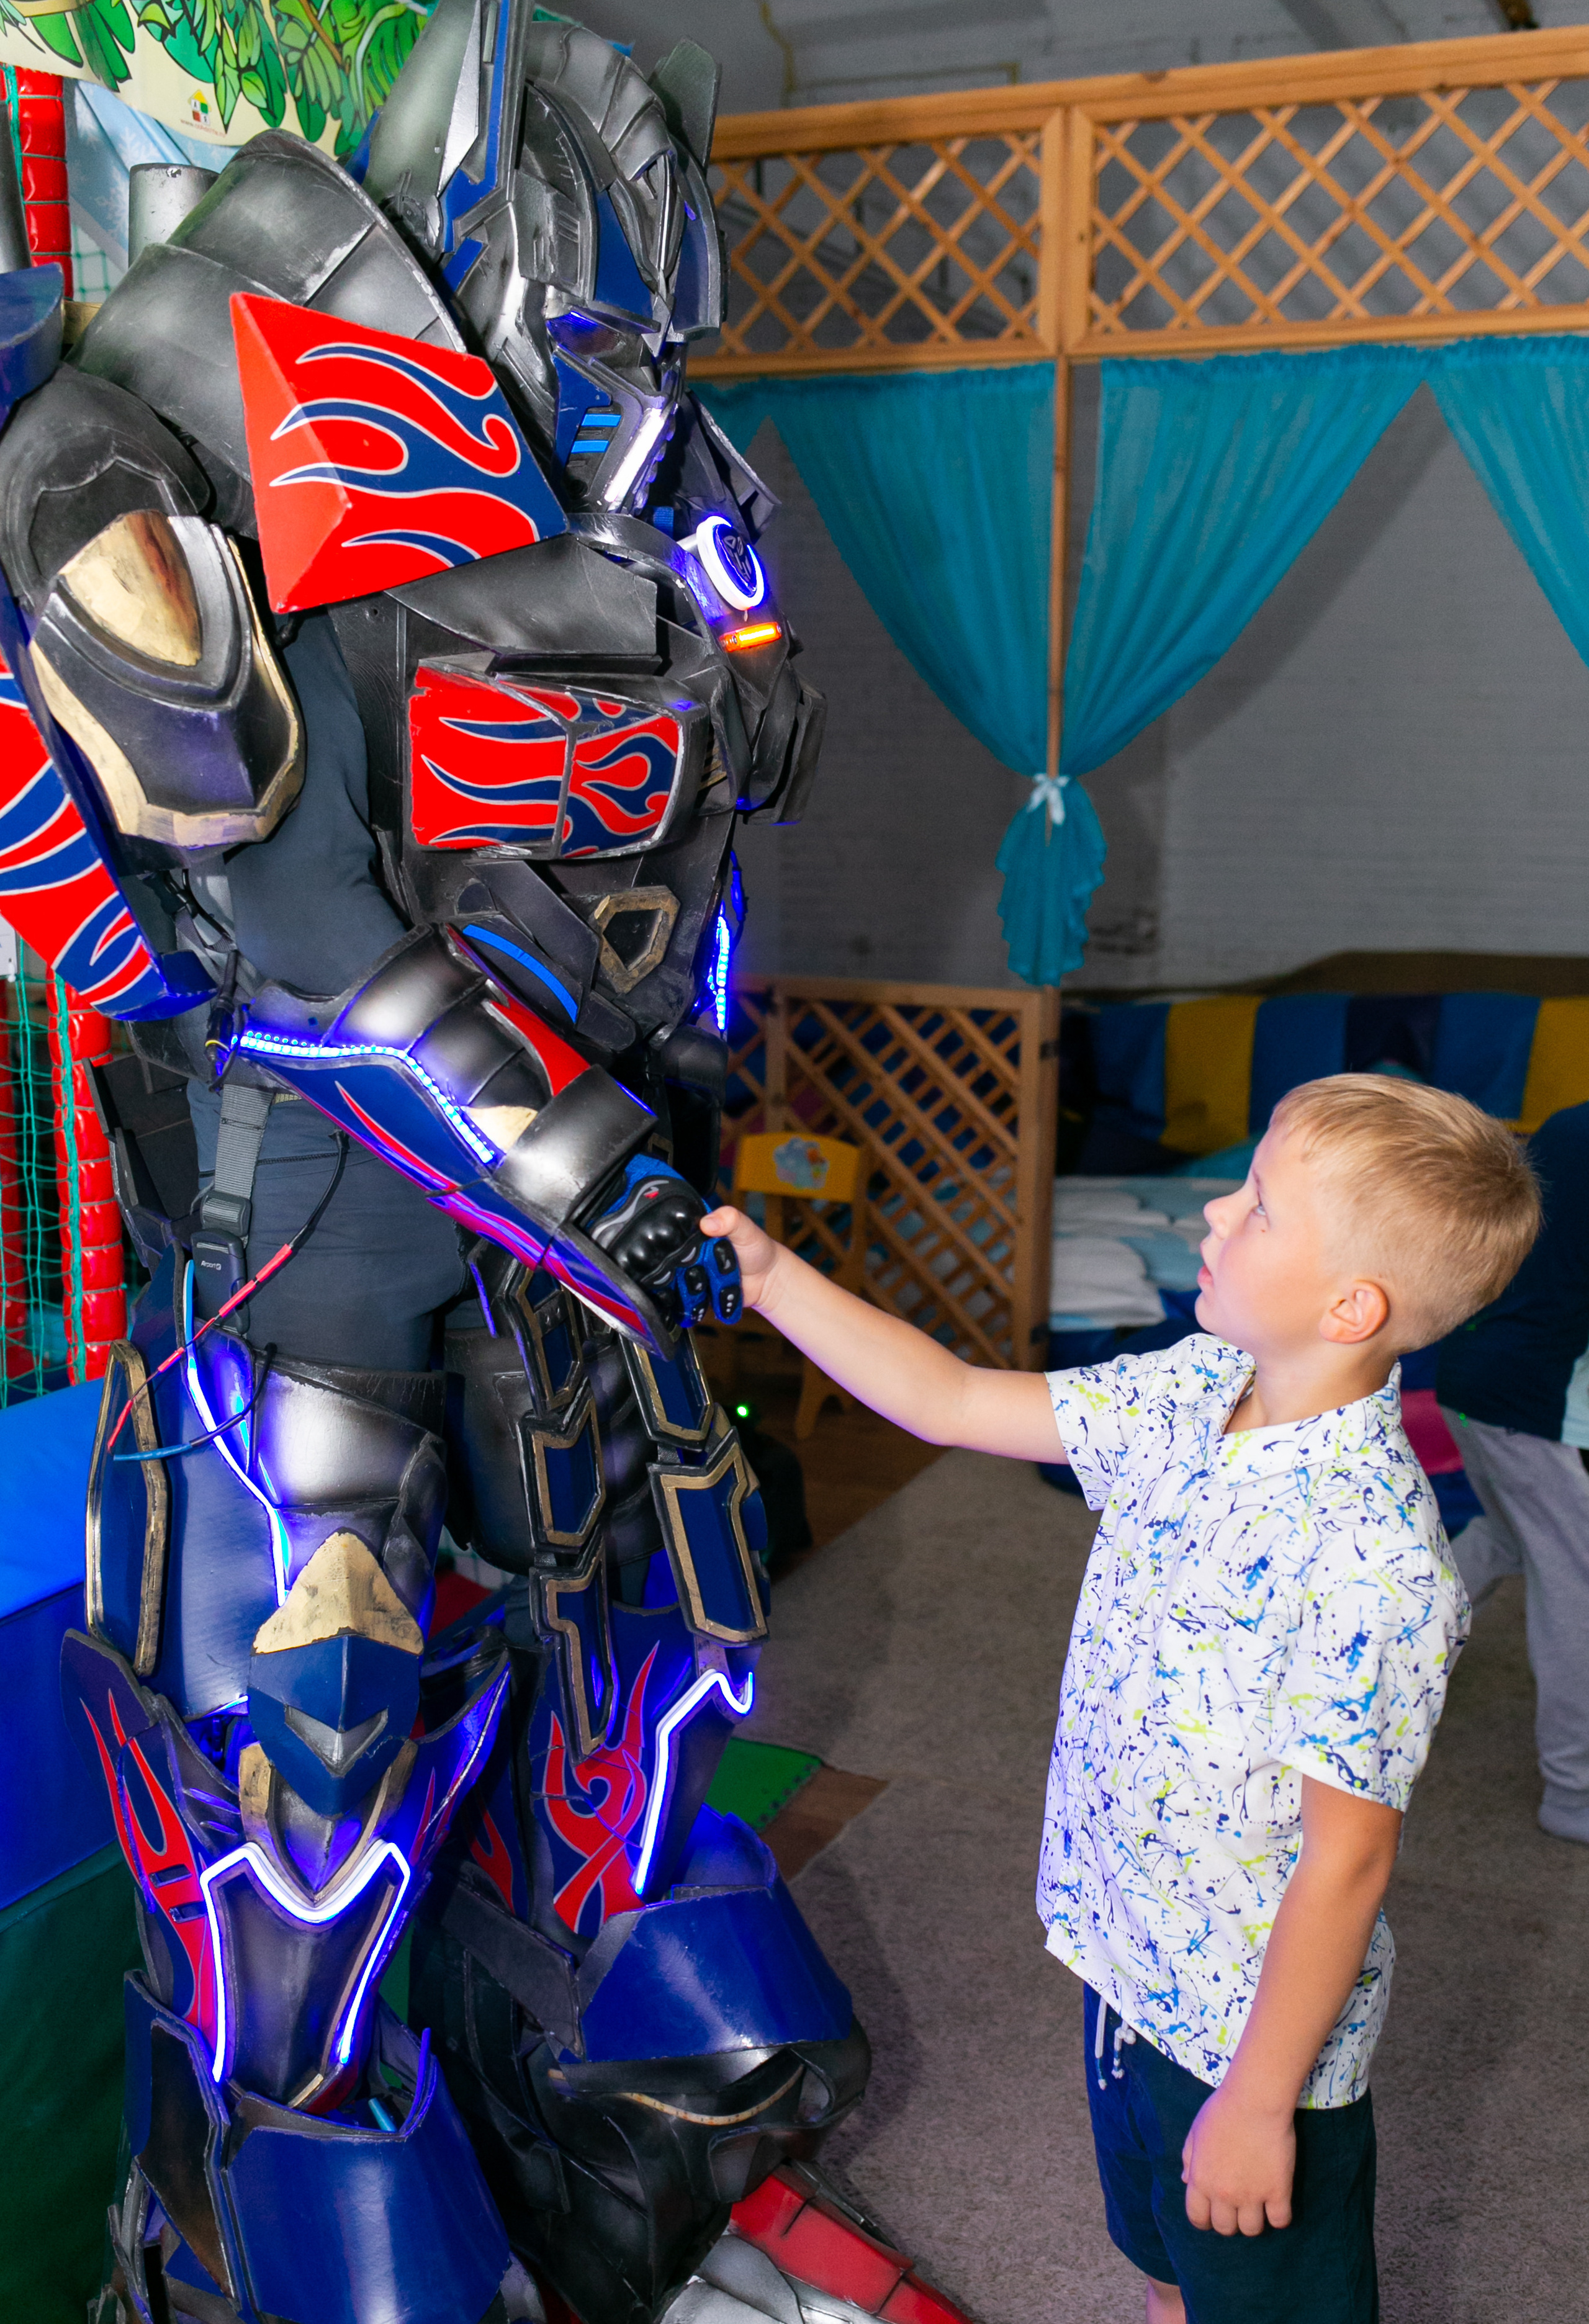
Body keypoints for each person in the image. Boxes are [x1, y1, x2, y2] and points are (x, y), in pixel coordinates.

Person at [704, 1075, 1541, 2324]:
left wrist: (1257, 2105)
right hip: (1123, 1959)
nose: (1212, 1215)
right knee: (1161, 2263)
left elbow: (1345, 1866)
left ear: (1348, 1305)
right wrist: (774, 1280)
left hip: (1248, 2046)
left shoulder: (1374, 1565)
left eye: (1256, 1208)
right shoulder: (1189, 1390)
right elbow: (948, 1398)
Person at [1436, 1098, 1589, 1844]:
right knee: (1576, 1584)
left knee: (1502, 1538)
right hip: (1538, 1400)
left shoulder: (1569, 1124)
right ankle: (1575, 1790)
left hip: (1474, 1370)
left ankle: (1377, 1674)